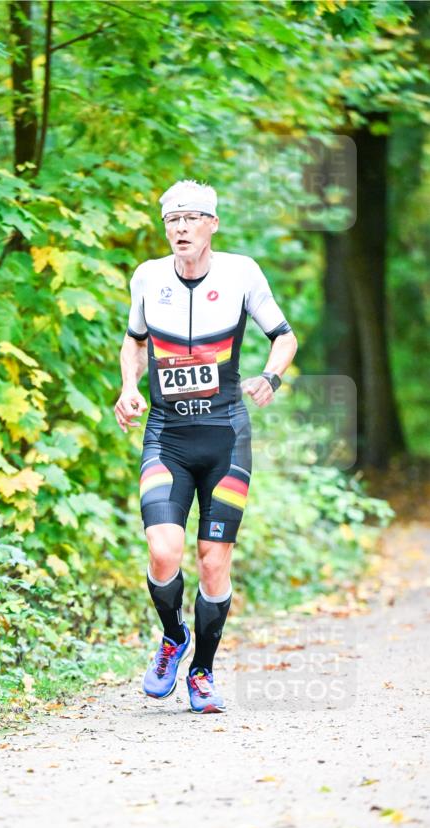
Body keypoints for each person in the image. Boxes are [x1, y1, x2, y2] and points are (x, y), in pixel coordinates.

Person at [114, 180, 298, 713]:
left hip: (225, 437)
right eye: (173, 219)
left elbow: (283, 336)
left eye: (193, 218)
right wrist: (129, 387)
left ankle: (202, 673)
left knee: (213, 561)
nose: (182, 228)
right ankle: (173, 637)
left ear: (212, 224)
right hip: (167, 435)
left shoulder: (242, 273)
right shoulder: (147, 277)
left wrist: (272, 376)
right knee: (163, 550)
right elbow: (135, 339)